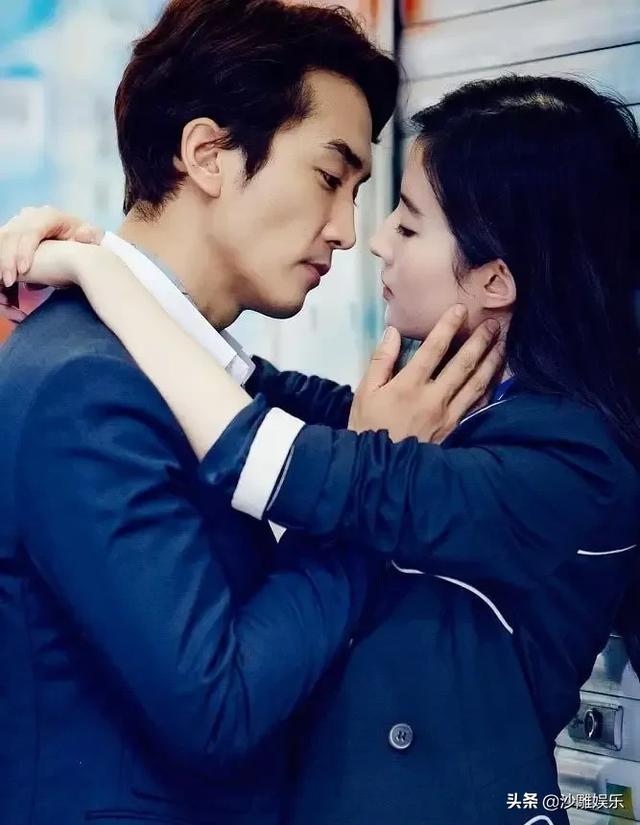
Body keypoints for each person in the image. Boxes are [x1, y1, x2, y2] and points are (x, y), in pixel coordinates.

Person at [6, 74, 640, 825]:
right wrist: (99, 267)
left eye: (408, 225)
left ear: (495, 278)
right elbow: (249, 386)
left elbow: (268, 454)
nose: (369, 237)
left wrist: (98, 268)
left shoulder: (570, 464)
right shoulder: (446, 409)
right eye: (334, 181)